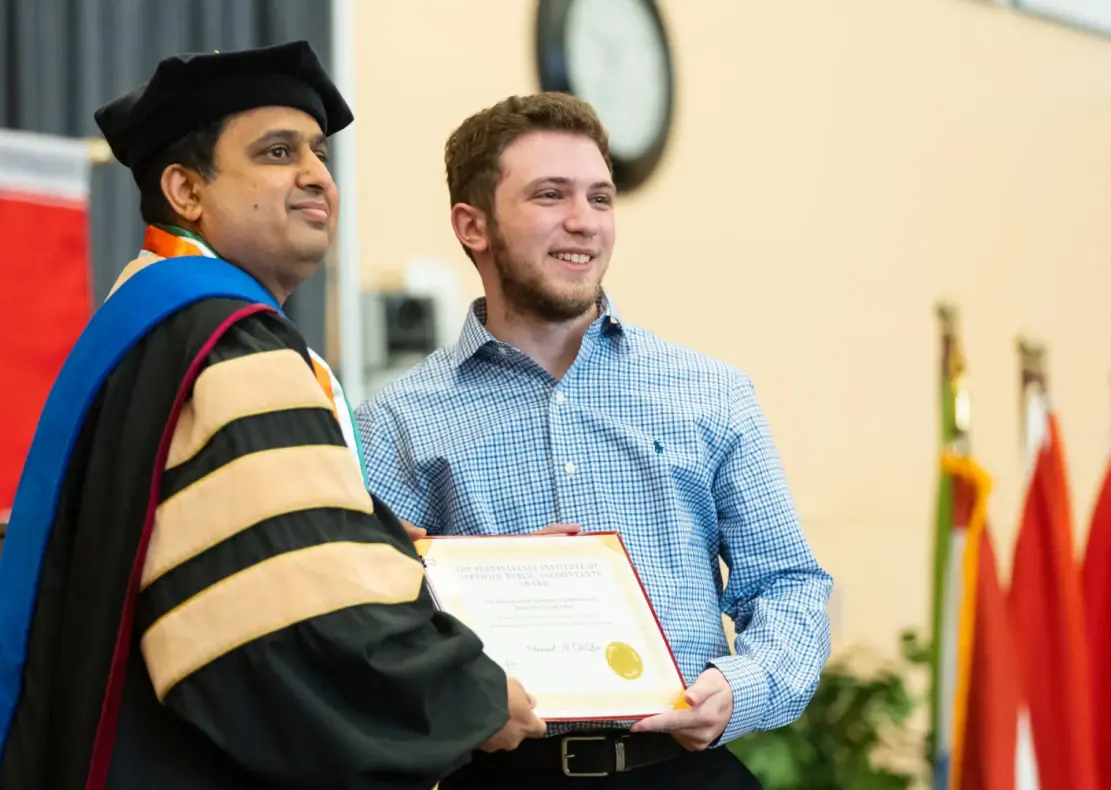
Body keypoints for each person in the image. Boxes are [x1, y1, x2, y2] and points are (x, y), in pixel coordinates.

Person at [0, 42, 545, 790]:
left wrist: (375, 543)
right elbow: (288, 617)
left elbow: (252, 541)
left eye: (318, 151)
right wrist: (467, 696)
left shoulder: (157, 319)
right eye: (278, 152)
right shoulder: (227, 339)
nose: (316, 173)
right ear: (185, 189)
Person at [354, 92, 834, 788]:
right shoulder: (398, 421)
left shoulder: (711, 392)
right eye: (550, 195)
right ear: (473, 224)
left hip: (686, 772)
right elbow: (372, 619)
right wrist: (480, 591)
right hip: (501, 774)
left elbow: (788, 583)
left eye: (600, 198)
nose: (584, 222)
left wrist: (741, 686)